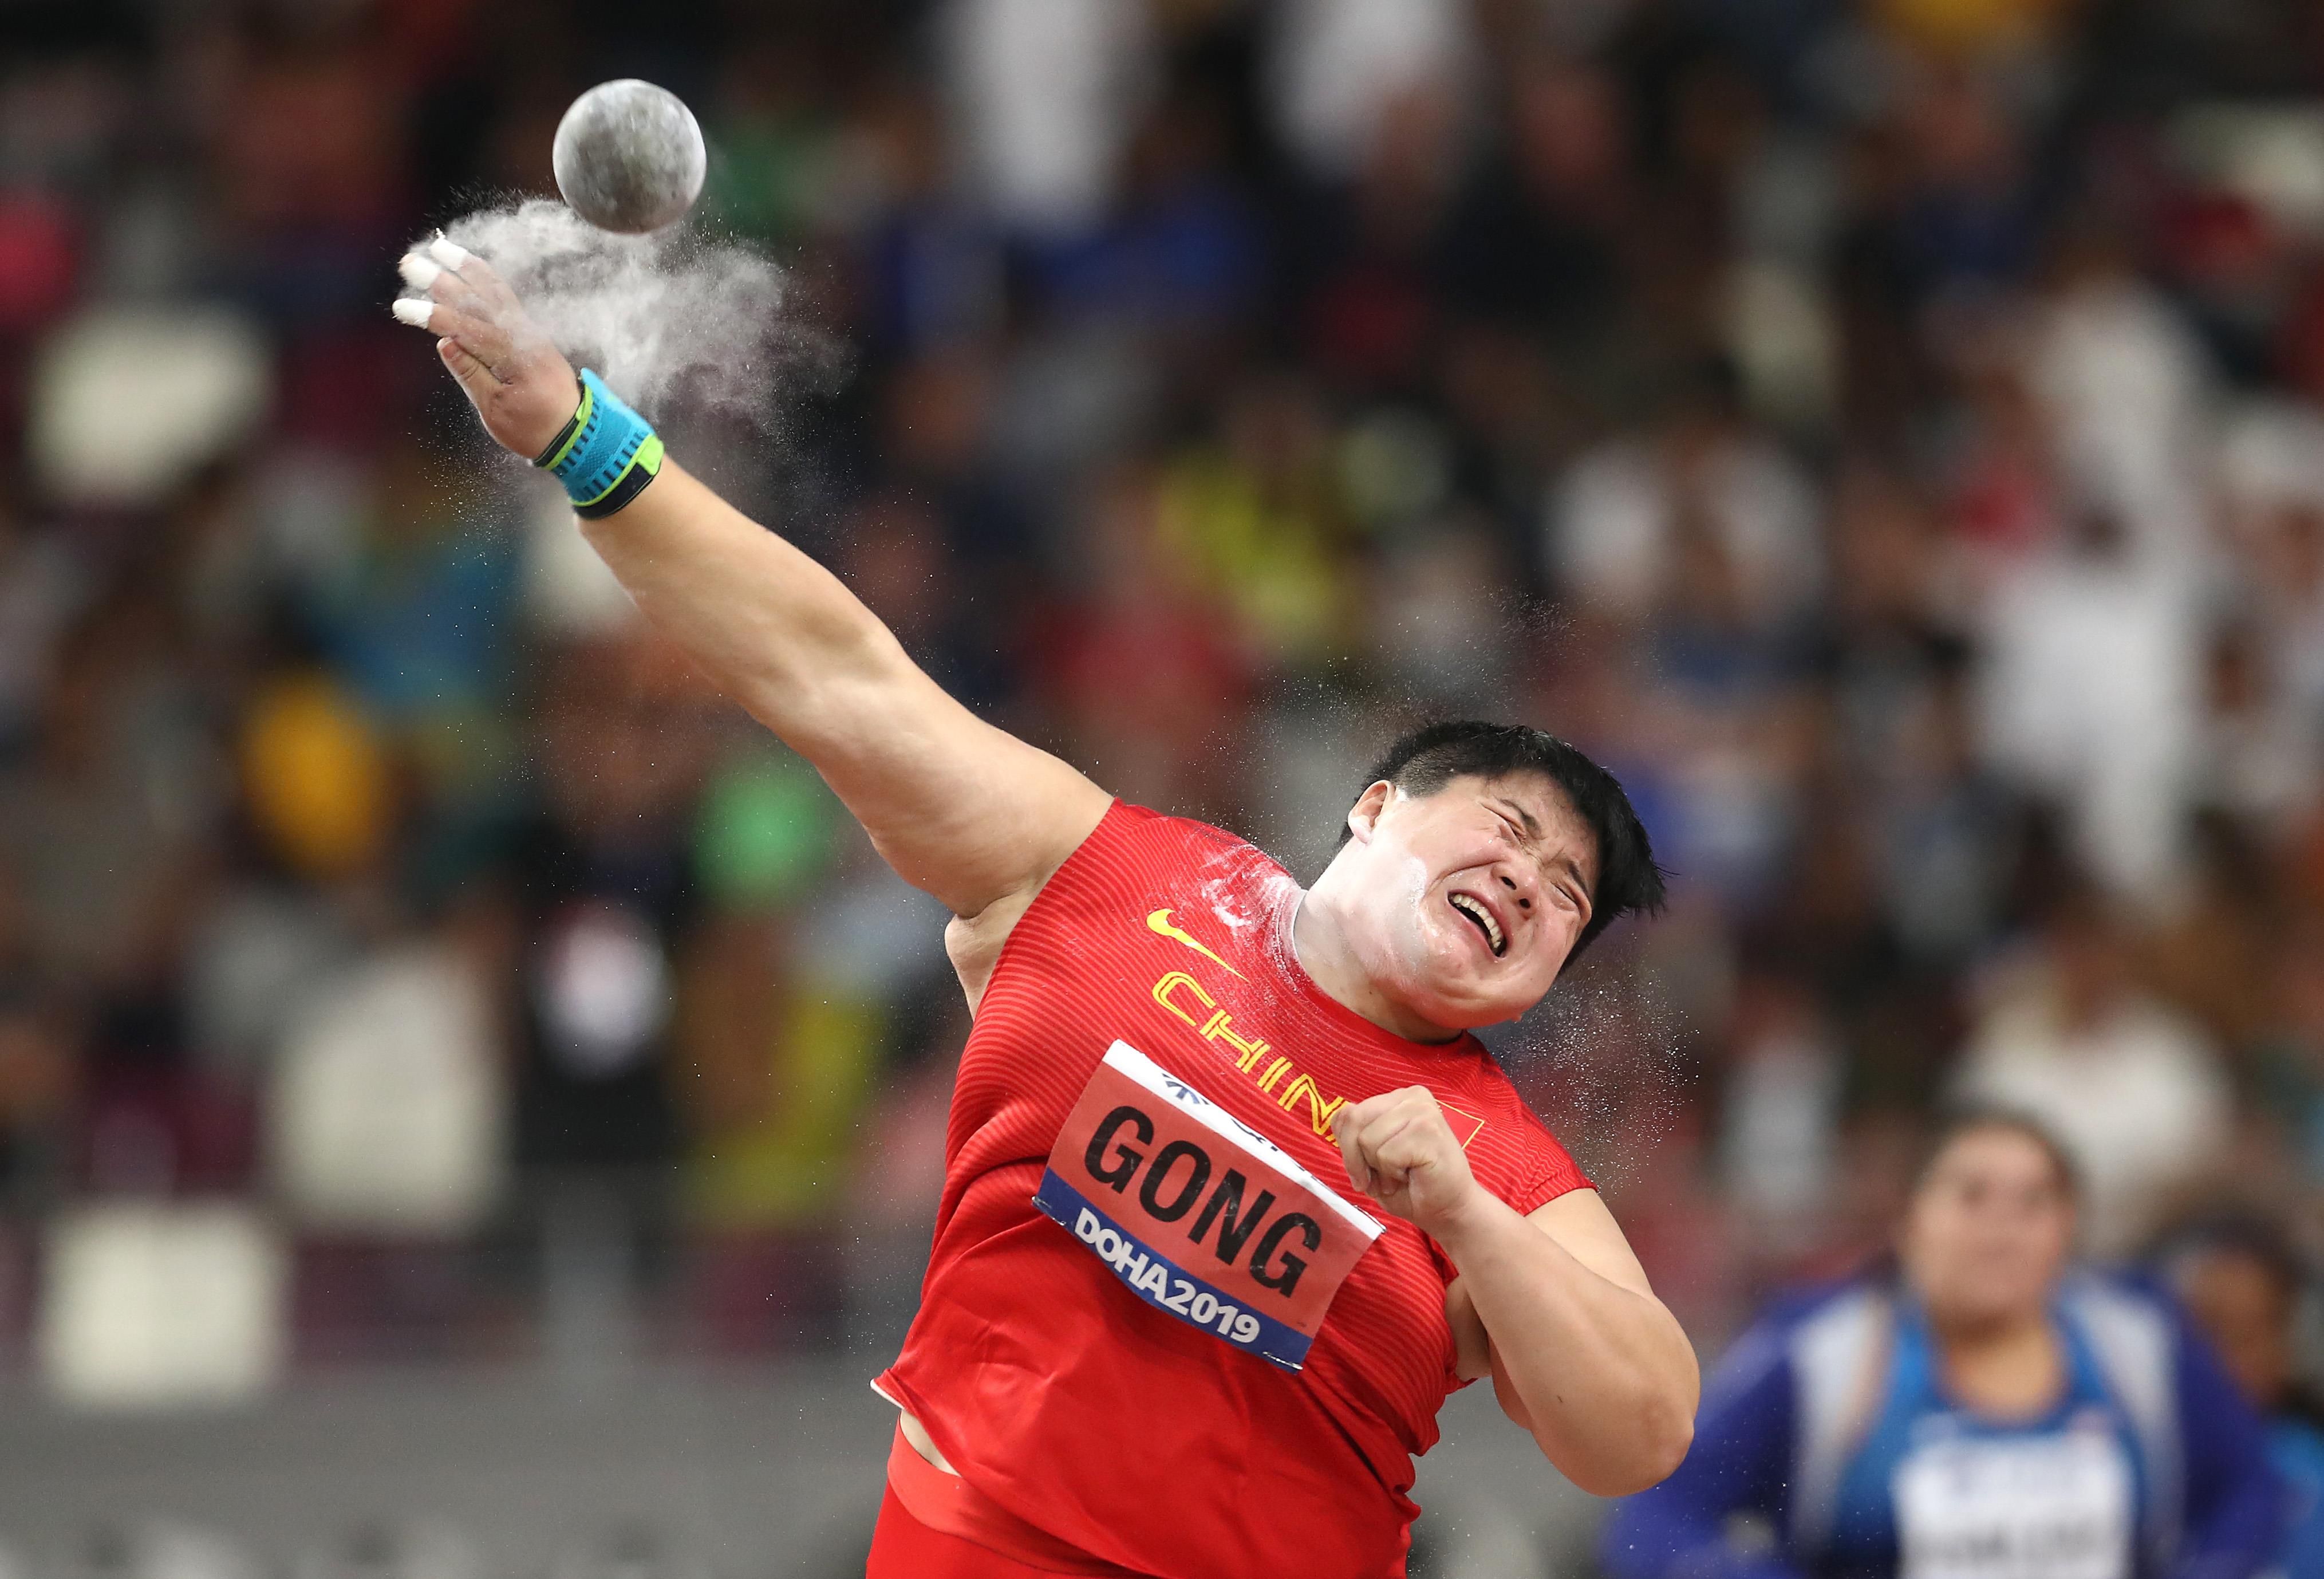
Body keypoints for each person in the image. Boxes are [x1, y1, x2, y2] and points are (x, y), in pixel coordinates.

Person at [390, 237, 1698, 1578]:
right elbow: (837, 673)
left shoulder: (1491, 1152)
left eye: (1563, 897)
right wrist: (582, 439)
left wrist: (1468, 1218)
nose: (1529, 884)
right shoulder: (1103, 871)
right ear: (1371, 805)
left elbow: (1640, 1428)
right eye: (1512, 827)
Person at [1601, 1106, 2283, 1579]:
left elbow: (2251, 1490)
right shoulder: (1820, 1355)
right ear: (1911, 1219)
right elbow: (1658, 1512)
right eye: (1972, 1196)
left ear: (2067, 1229)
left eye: (2034, 1201)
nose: (2002, 1227)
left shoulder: (2139, 1344)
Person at [2159, 1212, 2324, 1578]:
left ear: (2286, 1349)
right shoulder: (2138, 1470)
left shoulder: (2311, 1473)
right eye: (2201, 1335)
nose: (2217, 1362)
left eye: (2246, 1336)